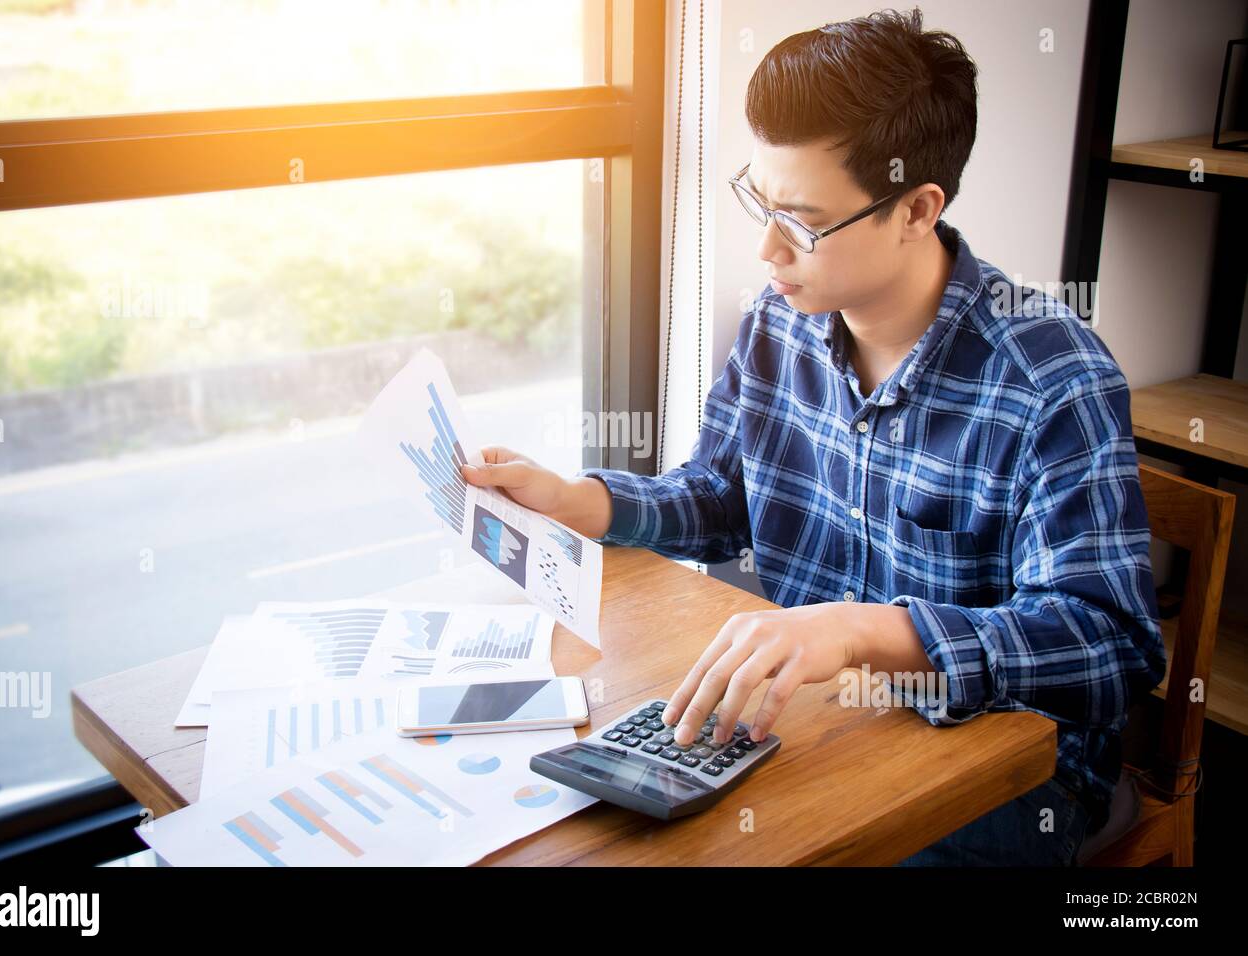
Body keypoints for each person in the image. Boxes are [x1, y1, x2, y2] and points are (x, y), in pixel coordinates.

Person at [461, 7, 1165, 866]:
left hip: (1013, 774)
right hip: (817, 719)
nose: (766, 248)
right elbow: (723, 497)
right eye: (760, 199)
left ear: (916, 207)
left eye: (800, 220)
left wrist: (865, 632)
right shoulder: (780, 325)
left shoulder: (1054, 380)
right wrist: (586, 500)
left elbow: (1110, 647)